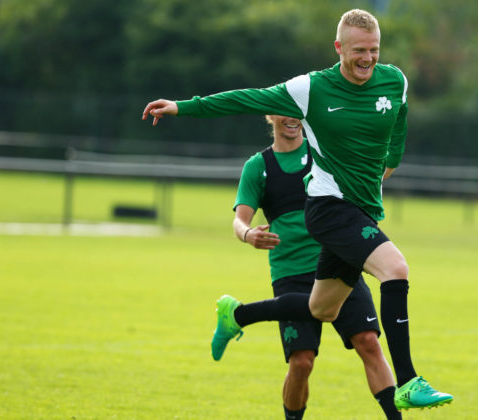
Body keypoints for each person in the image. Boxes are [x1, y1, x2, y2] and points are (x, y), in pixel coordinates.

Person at [142, 8, 453, 411]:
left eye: (374, 50)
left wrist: (389, 164)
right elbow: (246, 98)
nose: (368, 58)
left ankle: (237, 316)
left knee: (321, 308)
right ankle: (408, 382)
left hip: (362, 210)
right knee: (396, 269)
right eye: (359, 50)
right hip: (329, 208)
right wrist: (183, 106)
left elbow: (399, 122)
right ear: (339, 47)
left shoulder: (395, 81)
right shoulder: (311, 89)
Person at [233, 114, 400, 419]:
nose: (292, 119)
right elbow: (239, 221)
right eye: (284, 112)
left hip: (338, 262)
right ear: (271, 116)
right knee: (301, 362)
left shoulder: (323, 153)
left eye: (296, 111)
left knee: (368, 342)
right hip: (291, 273)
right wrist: (247, 234)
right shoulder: (258, 166)